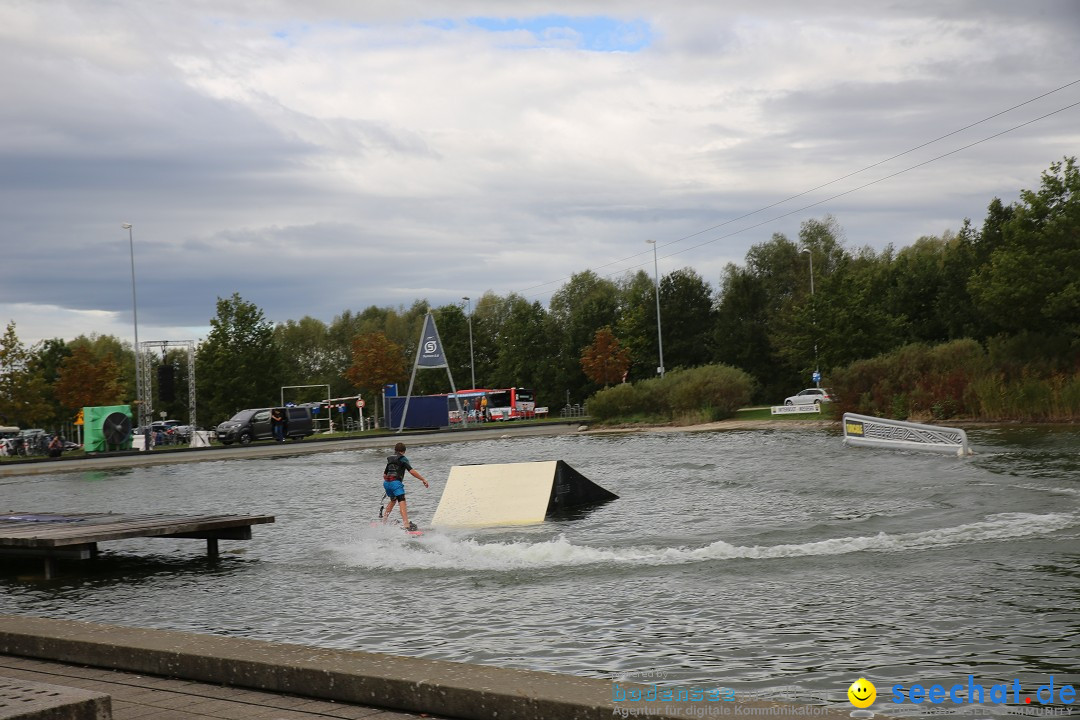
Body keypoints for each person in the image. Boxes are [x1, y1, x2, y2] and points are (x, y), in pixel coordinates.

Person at [381, 441, 429, 531]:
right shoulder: (403, 458)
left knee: (393, 500)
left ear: (395, 450)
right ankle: (406, 525)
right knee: (402, 501)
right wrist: (423, 479)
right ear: (403, 451)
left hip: (386, 483)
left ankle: (383, 522)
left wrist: (390, 484)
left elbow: (384, 475)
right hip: (395, 483)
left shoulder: (390, 459)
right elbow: (411, 471)